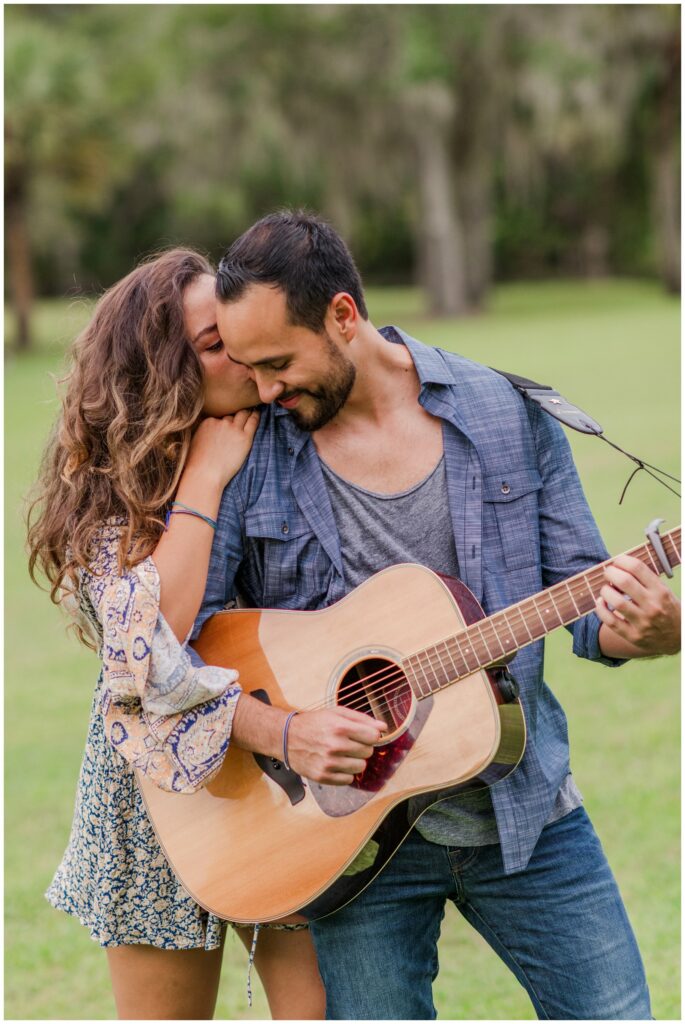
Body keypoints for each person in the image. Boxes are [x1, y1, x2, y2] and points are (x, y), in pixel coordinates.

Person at [193, 210, 681, 1020]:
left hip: (525, 811)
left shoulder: (504, 413)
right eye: (250, 368)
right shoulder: (247, 451)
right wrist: (280, 734)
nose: (267, 390)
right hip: (344, 843)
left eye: (279, 363)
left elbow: (586, 605)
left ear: (343, 317)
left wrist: (649, 632)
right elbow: (177, 655)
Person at [27, 248, 327, 1020]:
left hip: (284, 778)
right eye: (211, 343)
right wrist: (201, 478)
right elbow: (155, 638)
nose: (240, 356)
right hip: (152, 793)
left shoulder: (285, 426)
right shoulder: (107, 489)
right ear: (161, 368)